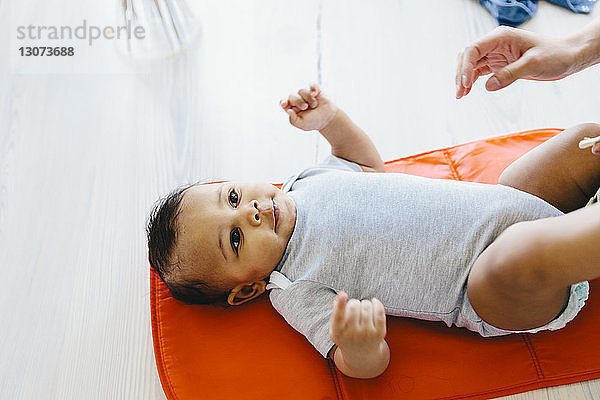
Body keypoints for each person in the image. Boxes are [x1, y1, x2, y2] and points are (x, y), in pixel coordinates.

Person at [147, 78, 599, 378]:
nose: (250, 212)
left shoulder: (307, 181)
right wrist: (359, 347)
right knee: (519, 254)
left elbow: (365, 164)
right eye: (236, 239)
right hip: (489, 288)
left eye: (231, 197)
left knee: (583, 142)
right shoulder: (293, 287)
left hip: (508, 206)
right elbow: (358, 365)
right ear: (246, 289)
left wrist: (328, 121)